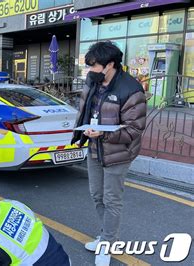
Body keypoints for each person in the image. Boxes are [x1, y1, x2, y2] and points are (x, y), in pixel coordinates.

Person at [71, 41, 147, 266]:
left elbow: (134, 129)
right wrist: (81, 136)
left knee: (112, 199)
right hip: (94, 148)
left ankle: (107, 243)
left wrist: (102, 135)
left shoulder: (131, 89)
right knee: (97, 195)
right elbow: (85, 110)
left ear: (110, 65)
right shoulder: (92, 81)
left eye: (94, 66)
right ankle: (106, 235)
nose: (89, 71)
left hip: (118, 153)